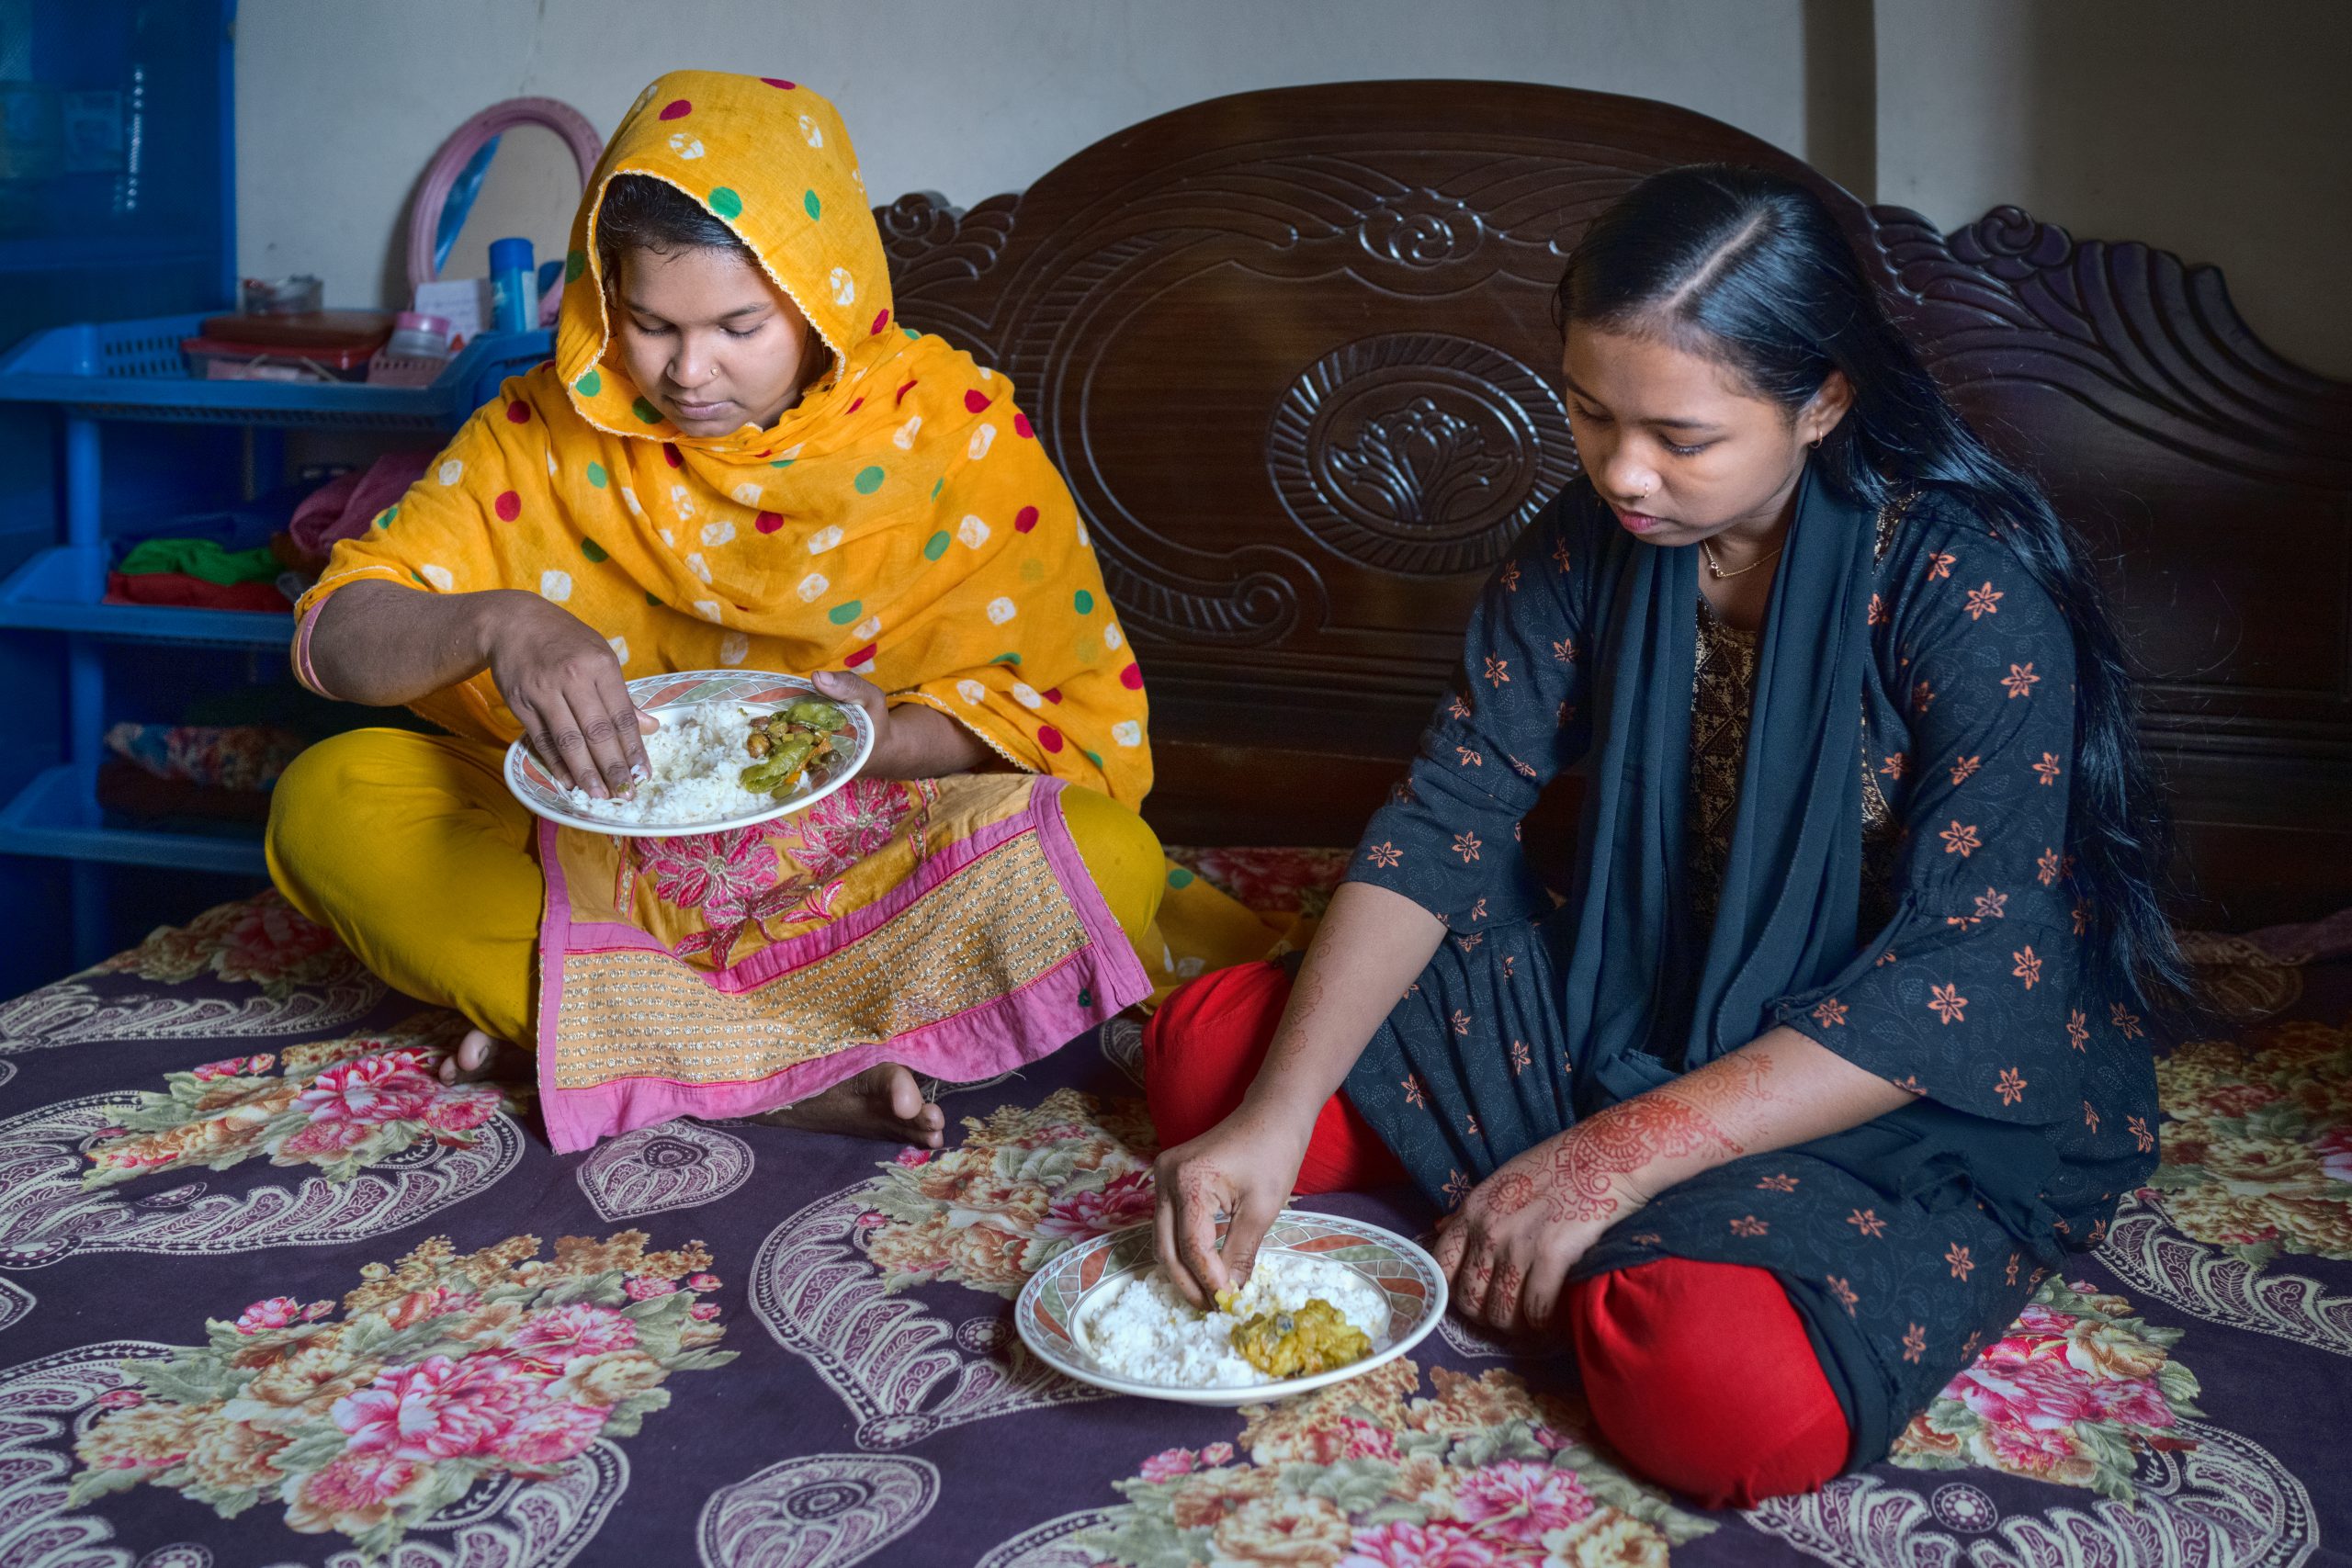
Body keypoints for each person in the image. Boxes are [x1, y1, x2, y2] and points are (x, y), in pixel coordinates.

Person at [1146, 165, 2190, 1508]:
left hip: (1869, 1071)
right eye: (1589, 413)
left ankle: (1638, 1233)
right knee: (1210, 1068)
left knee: (1715, 1387)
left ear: (1823, 397)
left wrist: (1602, 1157)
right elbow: (1445, 819)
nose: (1622, 472)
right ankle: (1596, 1223)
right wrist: (1275, 1121)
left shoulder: (1961, 590)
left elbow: (1972, 977)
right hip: (1639, 983)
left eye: (1681, 437)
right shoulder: (1589, 537)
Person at [268, 71, 1167, 1154]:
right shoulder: (539, 429)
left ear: (824, 295)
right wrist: (494, 623)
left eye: (739, 325)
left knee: (1109, 856)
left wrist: (886, 739)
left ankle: (602, 1037)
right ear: (606, 298)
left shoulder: (956, 436)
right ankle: (768, 1070)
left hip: (851, 852)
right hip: (586, 847)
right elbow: (335, 631)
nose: (688, 373)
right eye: (648, 324)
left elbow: (1057, 716)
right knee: (326, 799)